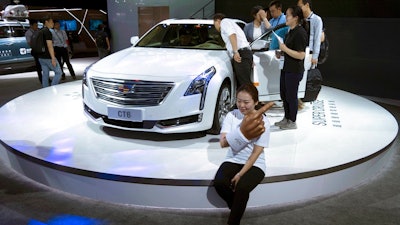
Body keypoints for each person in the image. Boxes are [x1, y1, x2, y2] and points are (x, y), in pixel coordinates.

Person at [214, 83, 271, 225]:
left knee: (242, 188)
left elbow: (256, 153)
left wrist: (240, 174)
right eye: (239, 101)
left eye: (246, 102)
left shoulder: (263, 121)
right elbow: (223, 142)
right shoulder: (231, 116)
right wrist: (243, 132)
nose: (241, 105)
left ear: (256, 102)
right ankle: (236, 207)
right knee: (220, 182)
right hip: (233, 159)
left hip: (255, 164)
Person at [275, 6, 308, 130]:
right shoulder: (290, 31)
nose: (285, 17)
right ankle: (286, 118)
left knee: (291, 96)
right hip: (286, 67)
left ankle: (292, 121)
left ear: (295, 17)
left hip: (294, 70)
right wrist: (282, 53)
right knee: (284, 95)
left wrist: (285, 49)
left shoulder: (300, 33)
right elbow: (290, 50)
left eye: (288, 15)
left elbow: (301, 55)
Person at [213, 13, 253, 89]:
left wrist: (235, 52)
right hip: (244, 53)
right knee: (243, 82)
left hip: (241, 54)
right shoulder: (231, 23)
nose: (215, 27)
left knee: (244, 83)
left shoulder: (224, 22)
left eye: (214, 23)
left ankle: (251, 100)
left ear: (217, 21)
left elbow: (232, 35)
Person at [37, 16, 62, 88]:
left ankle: (45, 90)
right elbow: (49, 46)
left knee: (45, 74)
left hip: (41, 57)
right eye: (51, 22)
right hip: (48, 57)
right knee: (59, 73)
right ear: (46, 22)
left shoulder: (40, 31)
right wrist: (53, 58)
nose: (53, 24)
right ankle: (52, 88)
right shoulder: (47, 32)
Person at [297, 0, 323, 67]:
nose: (299, 9)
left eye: (300, 6)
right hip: (298, 52)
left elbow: (317, 39)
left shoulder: (317, 19)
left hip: (309, 53)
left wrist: (315, 56)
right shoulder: (299, 20)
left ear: (307, 5)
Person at [25, 19, 42, 84]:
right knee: (38, 65)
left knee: (43, 64)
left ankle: (46, 78)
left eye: (37, 25)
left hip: (41, 49)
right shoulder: (28, 33)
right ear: (31, 25)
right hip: (35, 50)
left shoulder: (38, 31)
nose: (36, 26)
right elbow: (29, 43)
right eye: (35, 25)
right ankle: (41, 79)